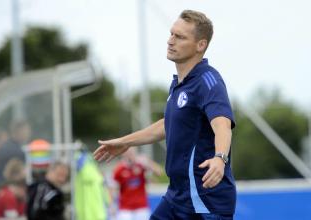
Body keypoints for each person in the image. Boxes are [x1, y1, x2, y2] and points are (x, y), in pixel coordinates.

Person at [94, 9, 236, 220]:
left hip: (205, 199)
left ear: (200, 45)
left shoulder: (208, 81)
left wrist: (219, 158)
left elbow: (222, 124)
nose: (170, 41)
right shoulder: (178, 85)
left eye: (180, 37)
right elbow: (167, 124)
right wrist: (126, 142)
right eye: (171, 34)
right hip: (177, 197)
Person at [113, 148, 163, 220]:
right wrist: (113, 205)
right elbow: (113, 188)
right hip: (125, 208)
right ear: (124, 154)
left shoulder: (141, 165)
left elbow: (159, 172)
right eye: (128, 153)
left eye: (132, 153)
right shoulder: (119, 169)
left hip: (141, 207)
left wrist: (148, 162)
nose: (130, 155)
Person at [0, 120, 31, 186]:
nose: (28, 134)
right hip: (10, 189)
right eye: (26, 131)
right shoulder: (18, 152)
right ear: (20, 131)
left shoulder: (3, 147)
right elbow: (19, 177)